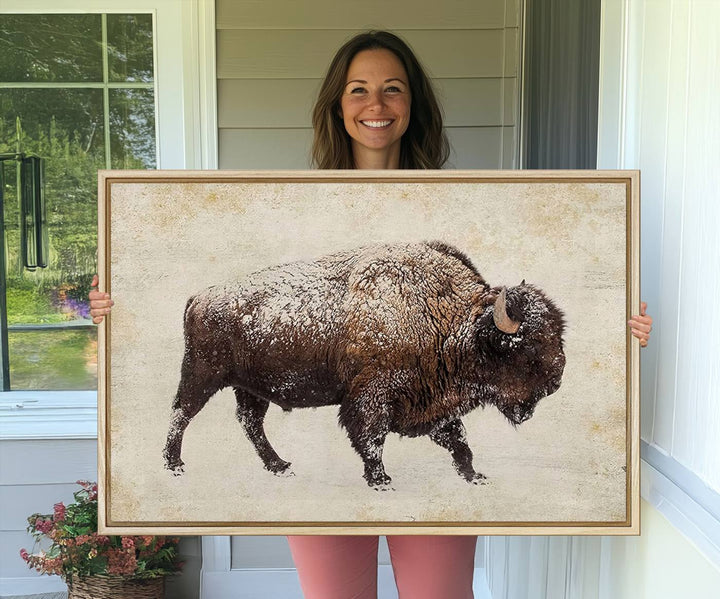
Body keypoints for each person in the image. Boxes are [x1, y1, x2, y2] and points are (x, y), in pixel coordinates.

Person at [89, 30, 653, 599]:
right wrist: (122, 309)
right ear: (338, 105)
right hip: (322, 475)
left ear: (413, 105)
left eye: (392, 89)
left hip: (426, 483)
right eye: (359, 90)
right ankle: (352, 455)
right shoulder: (289, 205)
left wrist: (616, 328)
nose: (376, 105)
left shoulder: (471, 206)